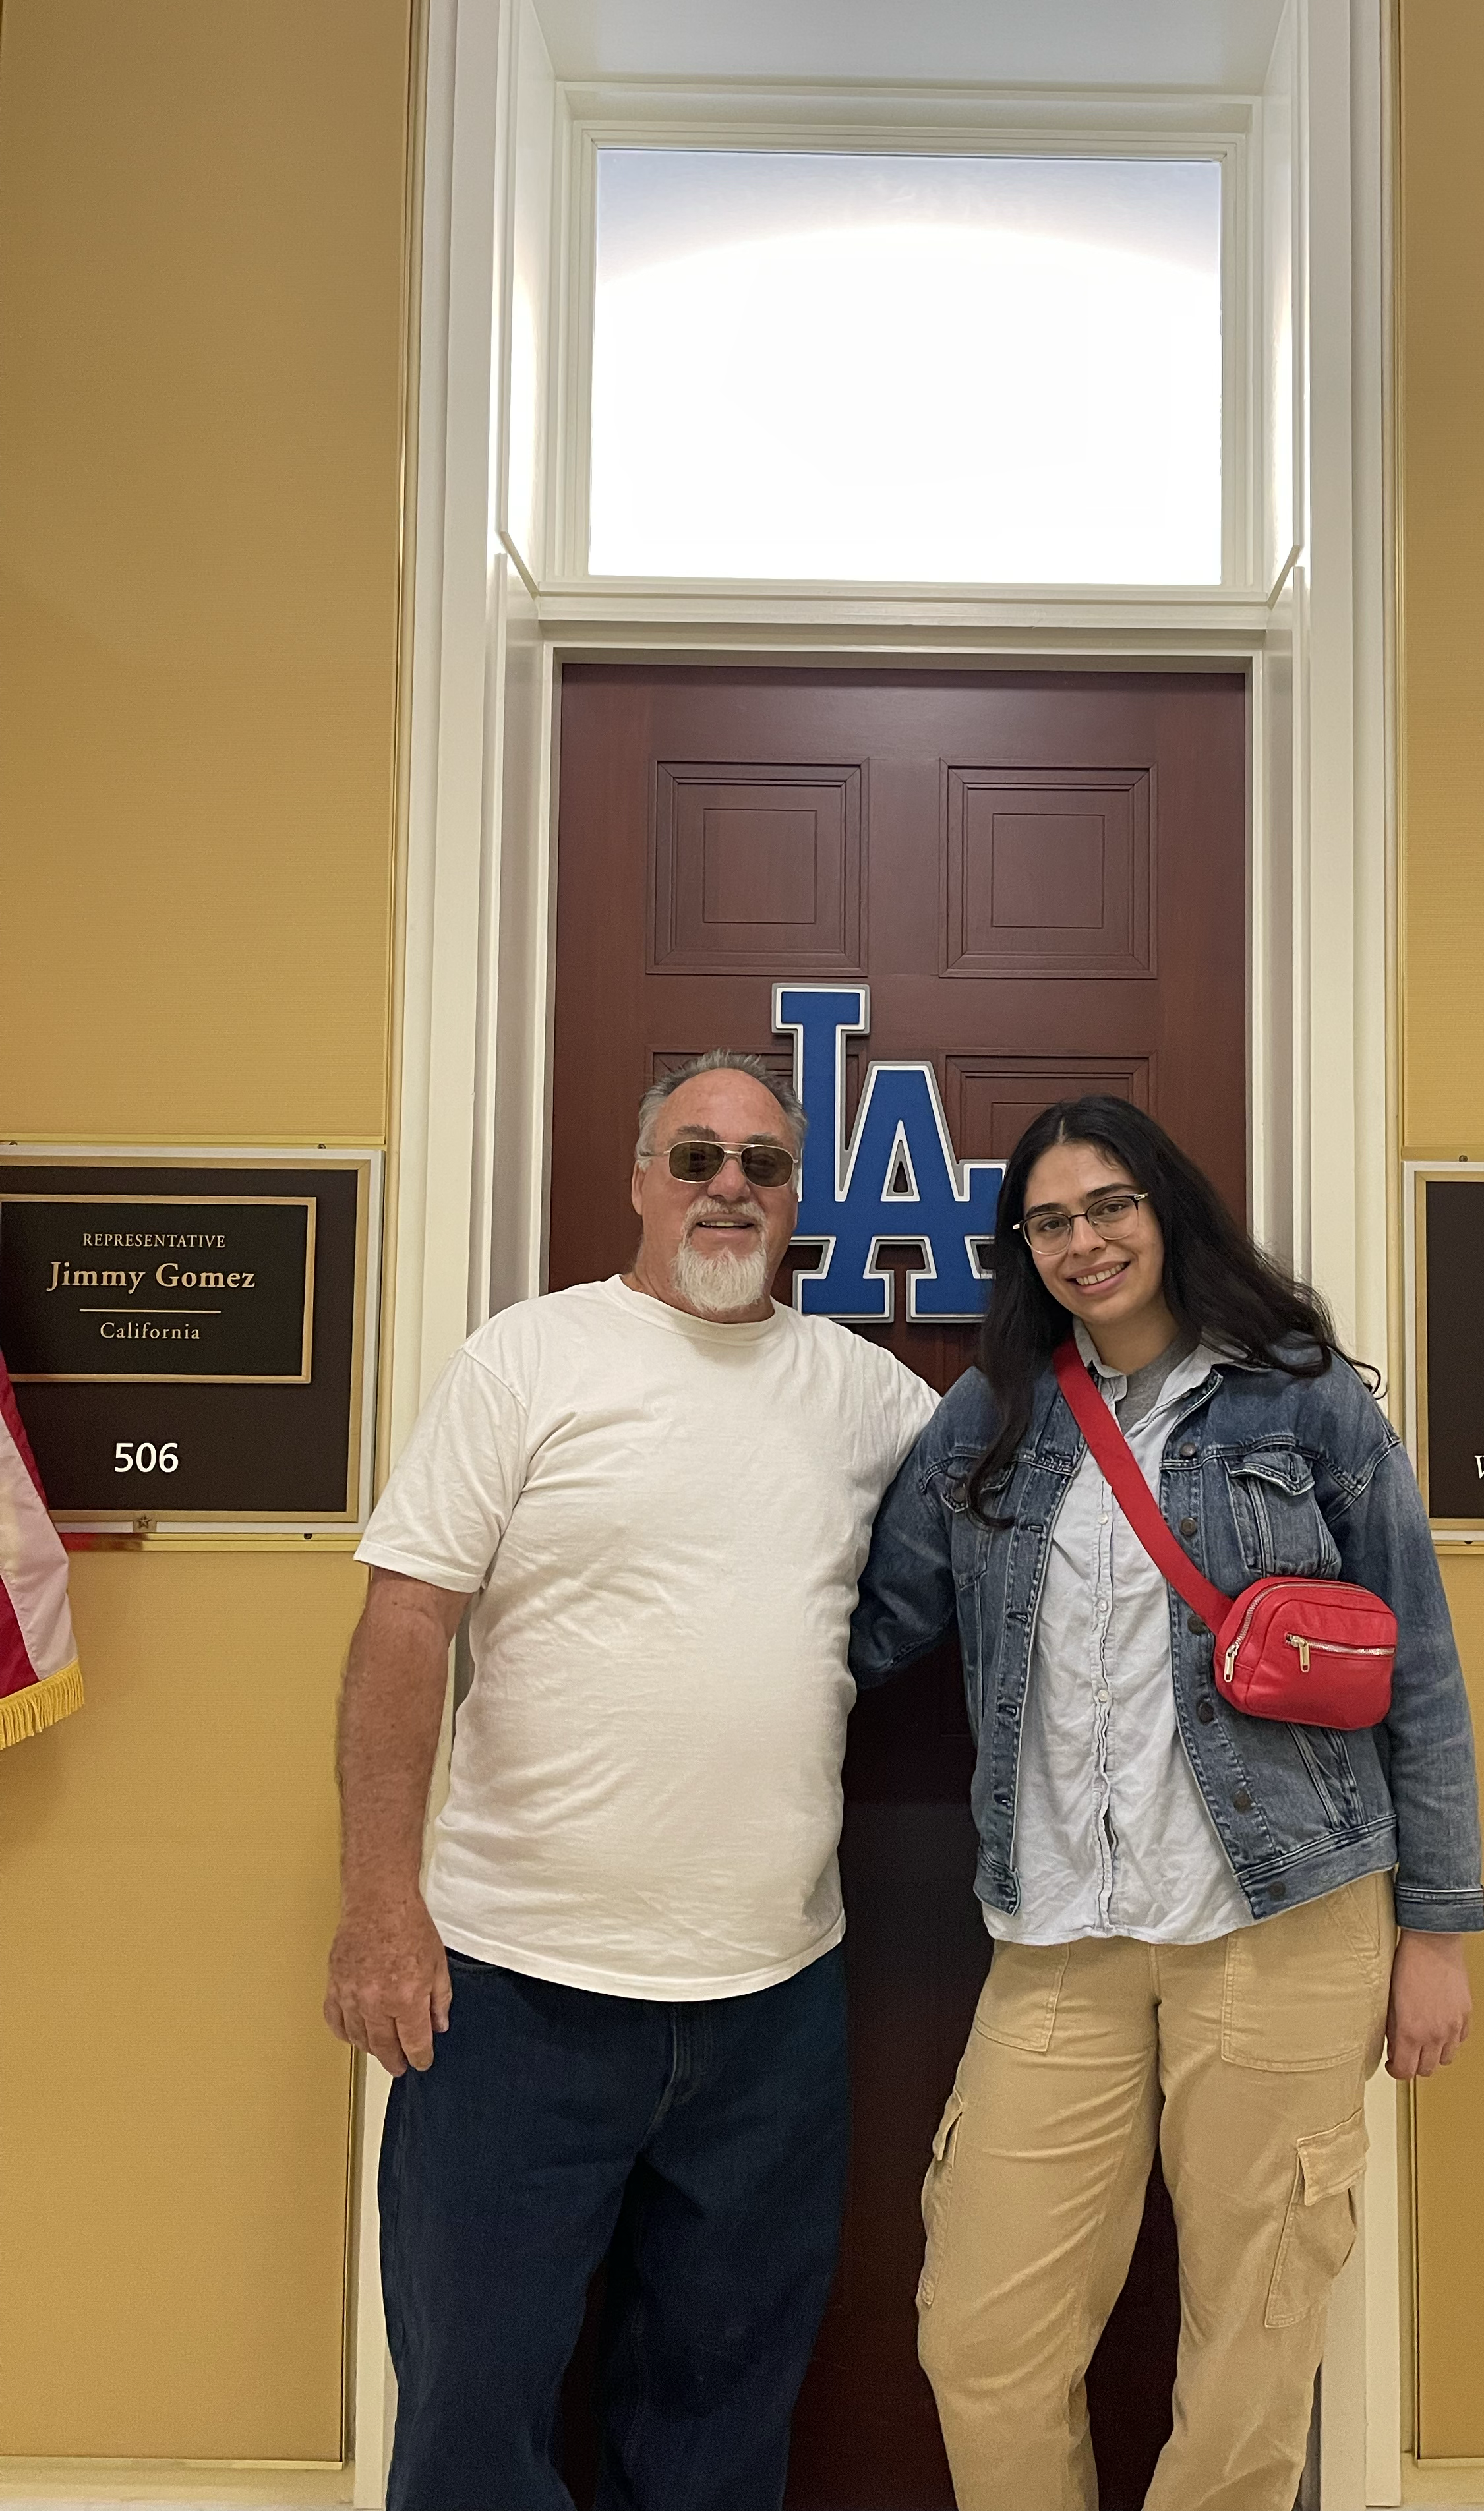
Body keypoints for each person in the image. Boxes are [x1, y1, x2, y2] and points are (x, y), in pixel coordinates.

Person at [323, 1052, 936, 2511]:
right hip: (511, 1993)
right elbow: (406, 1623)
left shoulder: (869, 1396)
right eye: (698, 1156)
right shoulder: (526, 1361)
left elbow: (1044, 1512)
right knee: (472, 2407)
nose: (730, 1187)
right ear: (641, 1177)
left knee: (724, 2414)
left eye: (763, 1166)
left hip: (772, 2007)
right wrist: (377, 1909)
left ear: (799, 1198)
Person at [851, 1096, 1483, 2511]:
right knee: (980, 2338)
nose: (1087, 1242)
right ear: (1025, 1248)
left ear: (1169, 1207)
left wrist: (1436, 1929)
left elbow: (1420, 1665)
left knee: (1252, 2347)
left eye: (1112, 1205)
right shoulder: (989, 1416)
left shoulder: (1303, 1397)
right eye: (1053, 1221)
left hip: (1287, 1920)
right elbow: (871, 1624)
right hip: (1062, 1932)